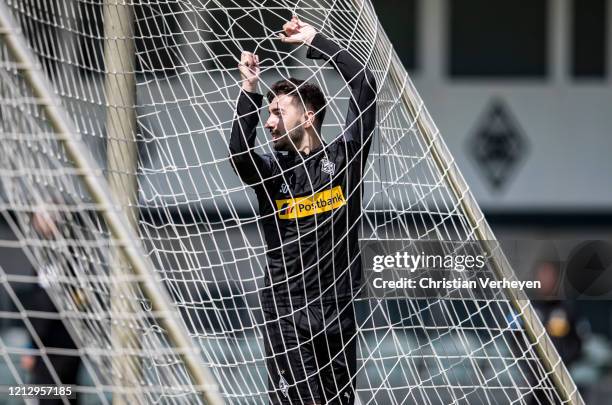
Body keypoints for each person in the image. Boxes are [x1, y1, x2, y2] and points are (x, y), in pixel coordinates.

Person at [228, 16, 376, 405]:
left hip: (338, 309)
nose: (269, 122)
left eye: (278, 112)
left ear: (308, 117)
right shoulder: (271, 172)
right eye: (269, 113)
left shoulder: (344, 159)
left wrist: (314, 40)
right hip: (287, 311)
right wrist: (249, 88)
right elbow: (239, 152)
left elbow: (364, 85)